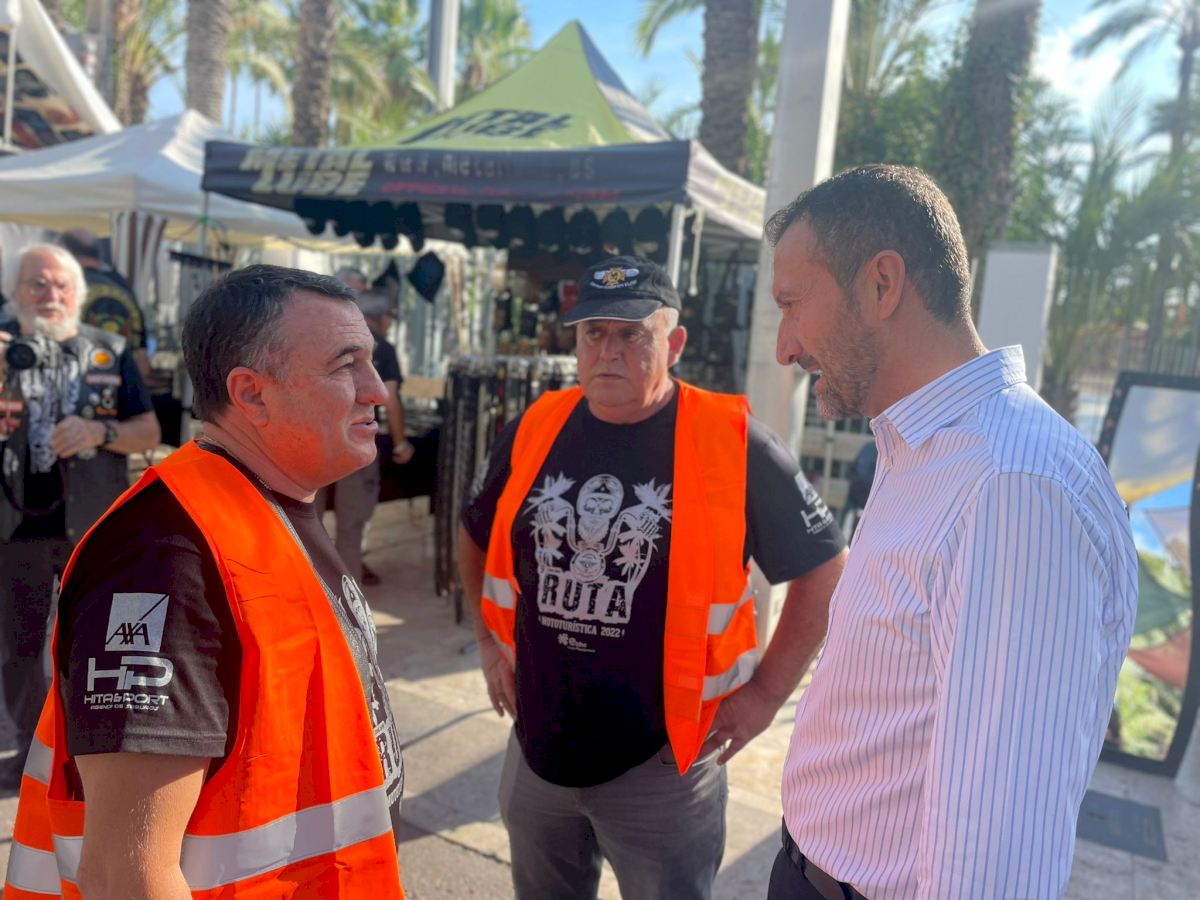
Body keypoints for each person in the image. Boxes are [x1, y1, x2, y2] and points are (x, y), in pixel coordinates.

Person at [767, 165, 1138, 899]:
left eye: (791, 305)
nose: (784, 346)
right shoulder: (928, 450)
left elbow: (994, 855)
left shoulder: (1010, 486)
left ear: (881, 284)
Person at [4, 265, 405, 897]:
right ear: (252, 395)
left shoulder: (267, 502)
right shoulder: (165, 555)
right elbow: (126, 874)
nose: (376, 391)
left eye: (371, 362)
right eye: (345, 365)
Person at [459, 255, 847, 900]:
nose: (608, 350)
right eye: (594, 333)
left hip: (665, 769)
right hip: (537, 749)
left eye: (632, 334)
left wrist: (764, 697)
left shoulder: (733, 442)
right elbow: (474, 529)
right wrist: (485, 641)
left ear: (675, 343)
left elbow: (825, 568)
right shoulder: (536, 424)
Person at [0, 243, 160, 791]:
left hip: (92, 528)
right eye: (36, 283)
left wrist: (100, 431)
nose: (51, 294)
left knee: (94, 644)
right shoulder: (4, 350)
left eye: (61, 284)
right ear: (14, 293)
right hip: (14, 529)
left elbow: (150, 431)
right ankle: (32, 753)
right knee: (18, 648)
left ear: (79, 293)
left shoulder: (109, 350)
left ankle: (89, 755)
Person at [319, 286, 413, 585]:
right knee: (351, 528)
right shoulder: (382, 348)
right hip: (353, 442)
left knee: (306, 524)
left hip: (318, 440)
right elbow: (391, 400)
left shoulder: (326, 340)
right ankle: (346, 600)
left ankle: (308, 590)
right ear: (382, 317)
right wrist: (401, 442)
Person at [59, 228, 151, 380]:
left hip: (78, 384)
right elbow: (142, 361)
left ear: (66, 254)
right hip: (121, 384)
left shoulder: (65, 287)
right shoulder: (122, 285)